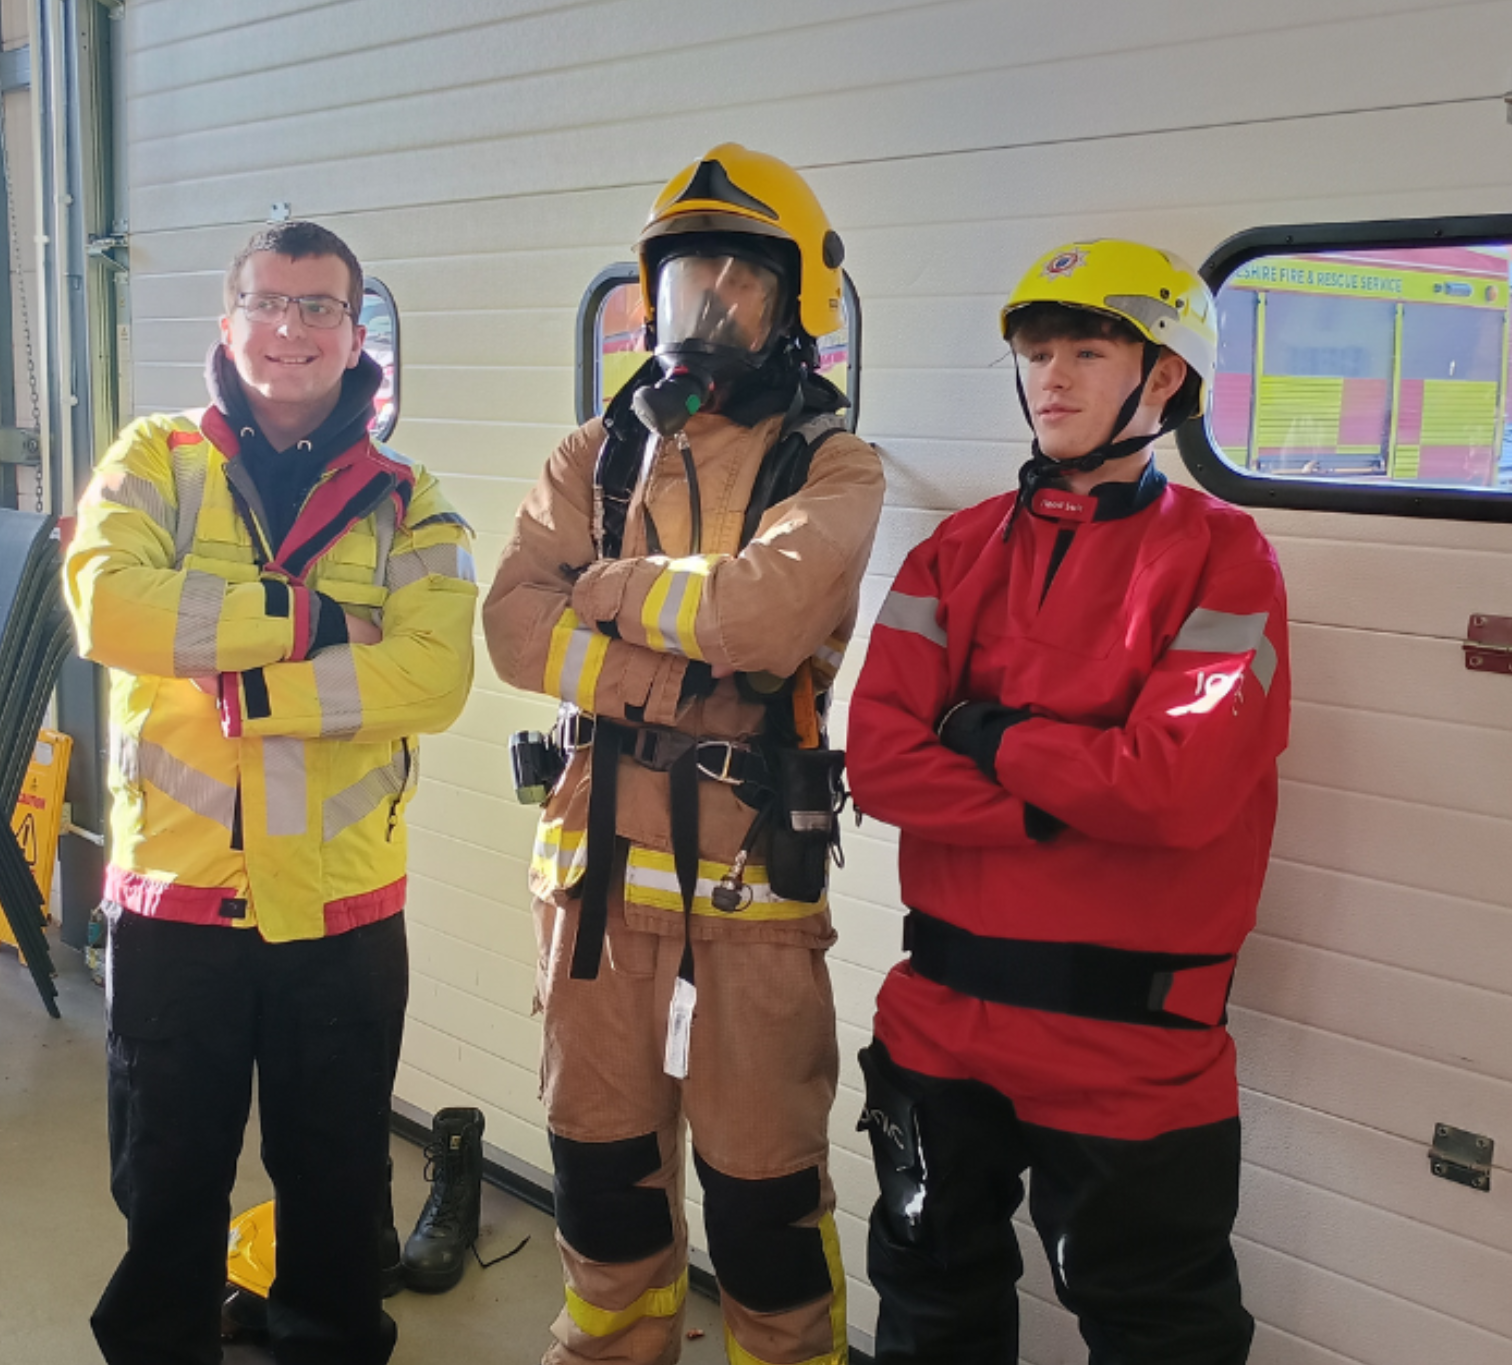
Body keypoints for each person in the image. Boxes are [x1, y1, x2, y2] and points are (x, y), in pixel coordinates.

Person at [845, 239, 1290, 1365]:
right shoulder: (949, 556)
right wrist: (1069, 788)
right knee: (925, 1303)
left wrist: (986, 736)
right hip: (936, 1020)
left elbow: (1174, 788)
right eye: (1037, 353)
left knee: (1159, 1333)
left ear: (1164, 377)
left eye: (1086, 350)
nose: (1050, 376)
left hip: (1133, 1048)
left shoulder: (1225, 561)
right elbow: (882, 762)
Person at [484, 144, 886, 1365]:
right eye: (680, 283)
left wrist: (600, 590)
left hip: (751, 902)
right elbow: (511, 628)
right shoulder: (592, 457)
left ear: (794, 306)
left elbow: (765, 617)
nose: (701, 311)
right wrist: (672, 665)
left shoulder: (831, 467)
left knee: (764, 1208)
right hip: (592, 899)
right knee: (601, 1190)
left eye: (735, 284)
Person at [64, 219, 477, 1365]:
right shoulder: (152, 459)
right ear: (227, 318)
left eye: (318, 309)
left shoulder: (411, 503)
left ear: (356, 337)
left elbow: (435, 674)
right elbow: (109, 609)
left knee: (339, 1200)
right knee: (163, 1194)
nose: (289, 330)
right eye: (267, 301)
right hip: (175, 911)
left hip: (340, 923)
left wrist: (256, 692)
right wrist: (314, 624)